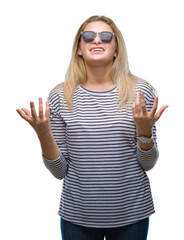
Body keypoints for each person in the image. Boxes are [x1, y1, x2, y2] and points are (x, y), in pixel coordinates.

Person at [16, 15, 168, 240]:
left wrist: (145, 132)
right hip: (77, 215)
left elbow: (148, 164)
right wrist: (43, 133)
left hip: (132, 213)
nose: (97, 40)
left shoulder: (141, 92)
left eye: (106, 37)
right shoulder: (60, 96)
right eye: (88, 36)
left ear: (117, 49)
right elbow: (59, 172)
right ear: (79, 48)